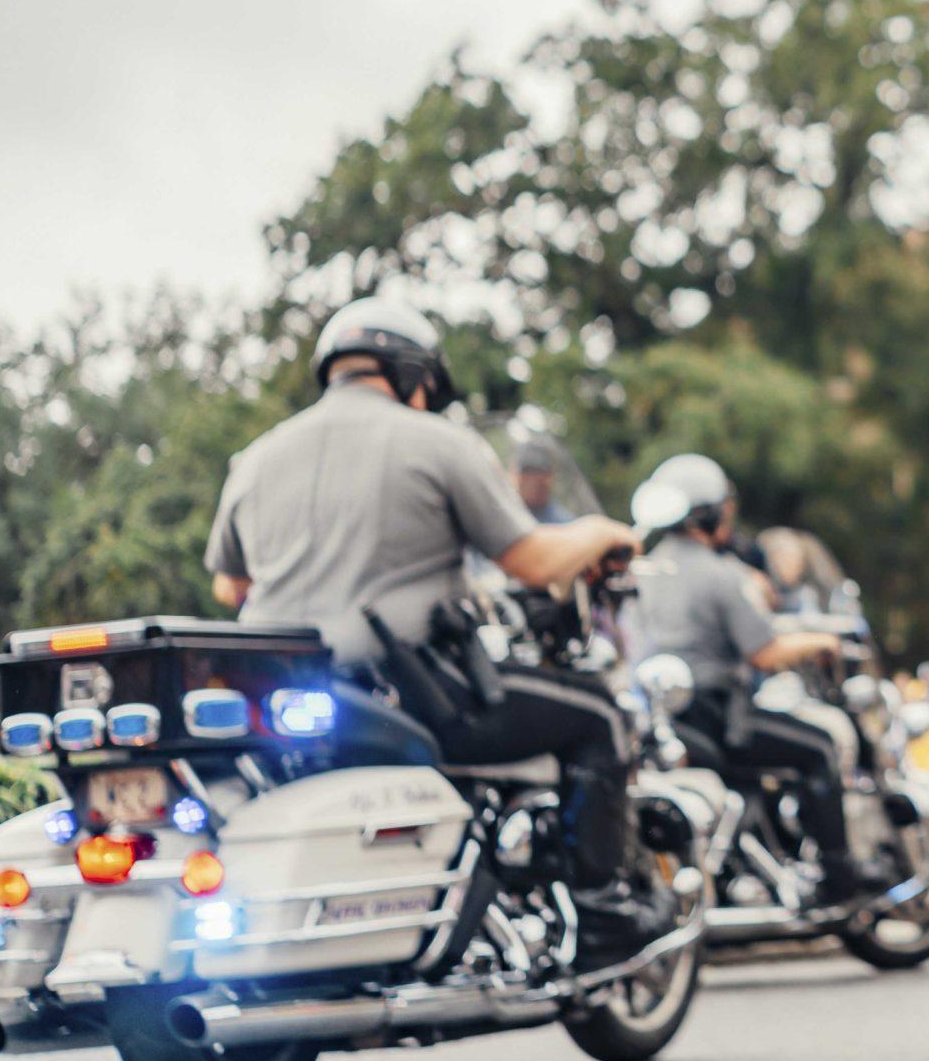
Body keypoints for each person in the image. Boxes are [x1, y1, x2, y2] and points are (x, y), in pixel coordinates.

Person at [203, 296, 663, 962]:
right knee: (599, 717)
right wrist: (599, 532)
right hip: (411, 690)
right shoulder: (438, 440)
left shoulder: (257, 457)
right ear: (415, 375)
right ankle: (602, 918)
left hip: (284, 693)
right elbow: (528, 559)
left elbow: (230, 585)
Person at [625, 459, 874, 903]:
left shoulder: (649, 568)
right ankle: (840, 878)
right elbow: (764, 651)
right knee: (819, 749)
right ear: (707, 513)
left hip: (668, 717)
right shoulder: (719, 573)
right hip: (716, 714)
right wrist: (823, 642)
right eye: (724, 507)